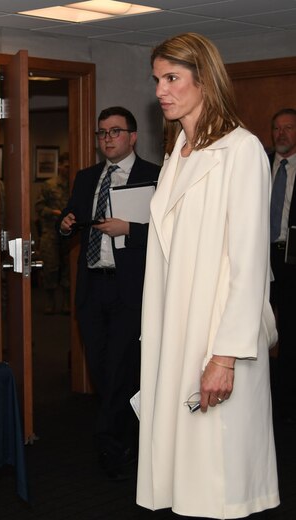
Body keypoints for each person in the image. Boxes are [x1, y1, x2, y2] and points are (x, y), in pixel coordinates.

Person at [137, 33, 279, 518]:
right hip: (175, 331)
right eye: (157, 79)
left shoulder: (241, 151)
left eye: (172, 78)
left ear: (205, 81)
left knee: (217, 481)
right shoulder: (177, 154)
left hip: (217, 339)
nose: (161, 90)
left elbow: (249, 263)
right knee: (183, 479)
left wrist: (224, 356)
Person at [59, 106, 160, 480]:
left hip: (128, 289)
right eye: (102, 132)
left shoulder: (154, 176)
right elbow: (70, 218)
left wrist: (129, 229)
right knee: (102, 367)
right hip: (92, 286)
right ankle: (129, 430)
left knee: (119, 366)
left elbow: (170, 232)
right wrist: (65, 224)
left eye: (115, 131)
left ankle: (112, 444)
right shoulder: (87, 178)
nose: (107, 138)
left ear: (132, 137)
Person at [268, 108, 296, 424]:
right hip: (261, 257)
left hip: (291, 259)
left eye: (288, 127)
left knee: (289, 329)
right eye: (277, 128)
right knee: (258, 325)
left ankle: (286, 403)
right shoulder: (260, 163)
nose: (282, 134)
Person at [34, 153, 70, 314]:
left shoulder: (75, 184)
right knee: (50, 268)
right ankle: (50, 302)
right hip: (51, 232)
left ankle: (67, 303)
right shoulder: (49, 185)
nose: (67, 169)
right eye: (65, 166)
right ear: (59, 166)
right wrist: (54, 212)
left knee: (68, 269)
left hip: (69, 233)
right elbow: (39, 207)